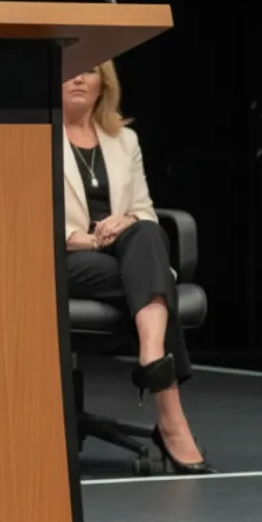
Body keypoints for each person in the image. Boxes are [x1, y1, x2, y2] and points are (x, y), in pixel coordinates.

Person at [63, 62, 211, 473]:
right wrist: (91, 239)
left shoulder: (124, 140)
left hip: (123, 253)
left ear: (104, 84)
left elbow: (144, 209)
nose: (79, 78)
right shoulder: (31, 138)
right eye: (69, 69)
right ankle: (171, 420)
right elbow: (26, 217)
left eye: (89, 70)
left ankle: (151, 353)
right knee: (151, 277)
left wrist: (125, 221)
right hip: (64, 256)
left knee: (146, 230)